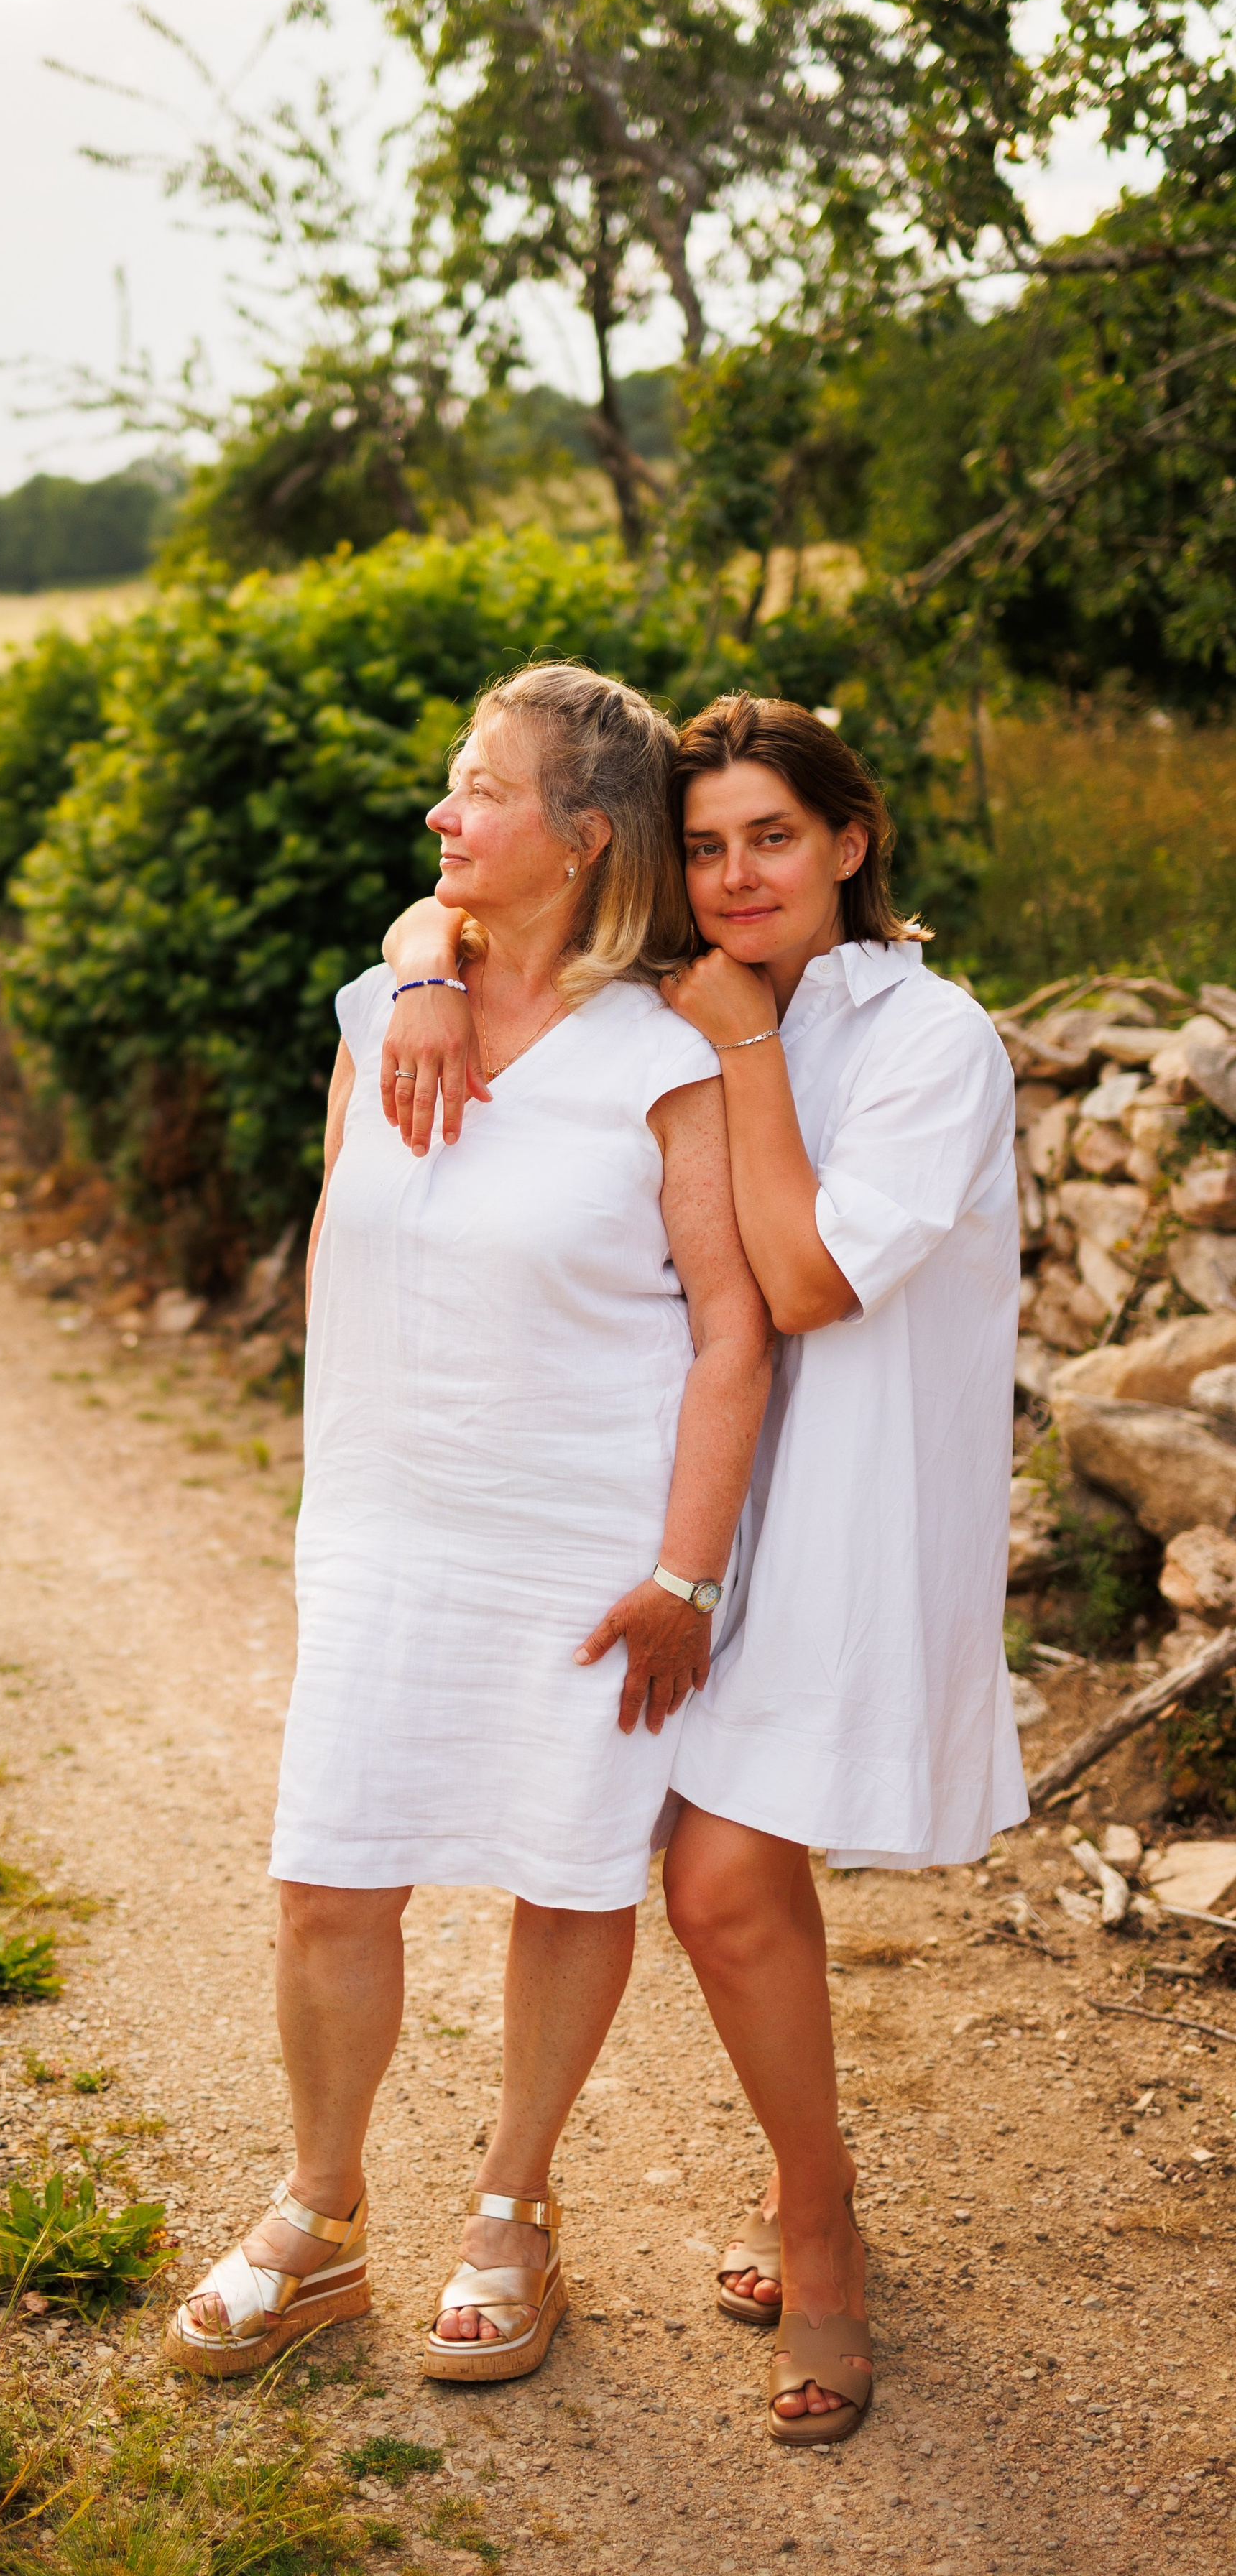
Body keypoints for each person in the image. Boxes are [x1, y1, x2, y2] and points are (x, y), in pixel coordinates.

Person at [378, 693, 1024, 2445]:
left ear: (850, 841)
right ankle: (797, 2180)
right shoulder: (673, 972)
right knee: (717, 1871)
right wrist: (430, 961)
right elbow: (461, 896)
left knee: (722, 1884)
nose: (737, 875)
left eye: (773, 838)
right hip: (695, 1492)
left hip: (855, 1505)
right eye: (711, 842)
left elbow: (810, 1286)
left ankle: (818, 2229)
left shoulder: (925, 1037)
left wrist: (739, 1048)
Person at [165, 664, 772, 2385]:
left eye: (480, 790)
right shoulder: (378, 1013)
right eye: (447, 784)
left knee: (561, 1874)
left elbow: (730, 1327)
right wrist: (424, 962)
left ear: (582, 840)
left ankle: (514, 2208)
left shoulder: (664, 1058)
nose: (442, 813)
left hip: (587, 1548)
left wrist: (682, 1574)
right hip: (382, 1520)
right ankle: (320, 2216)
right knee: (324, 1877)